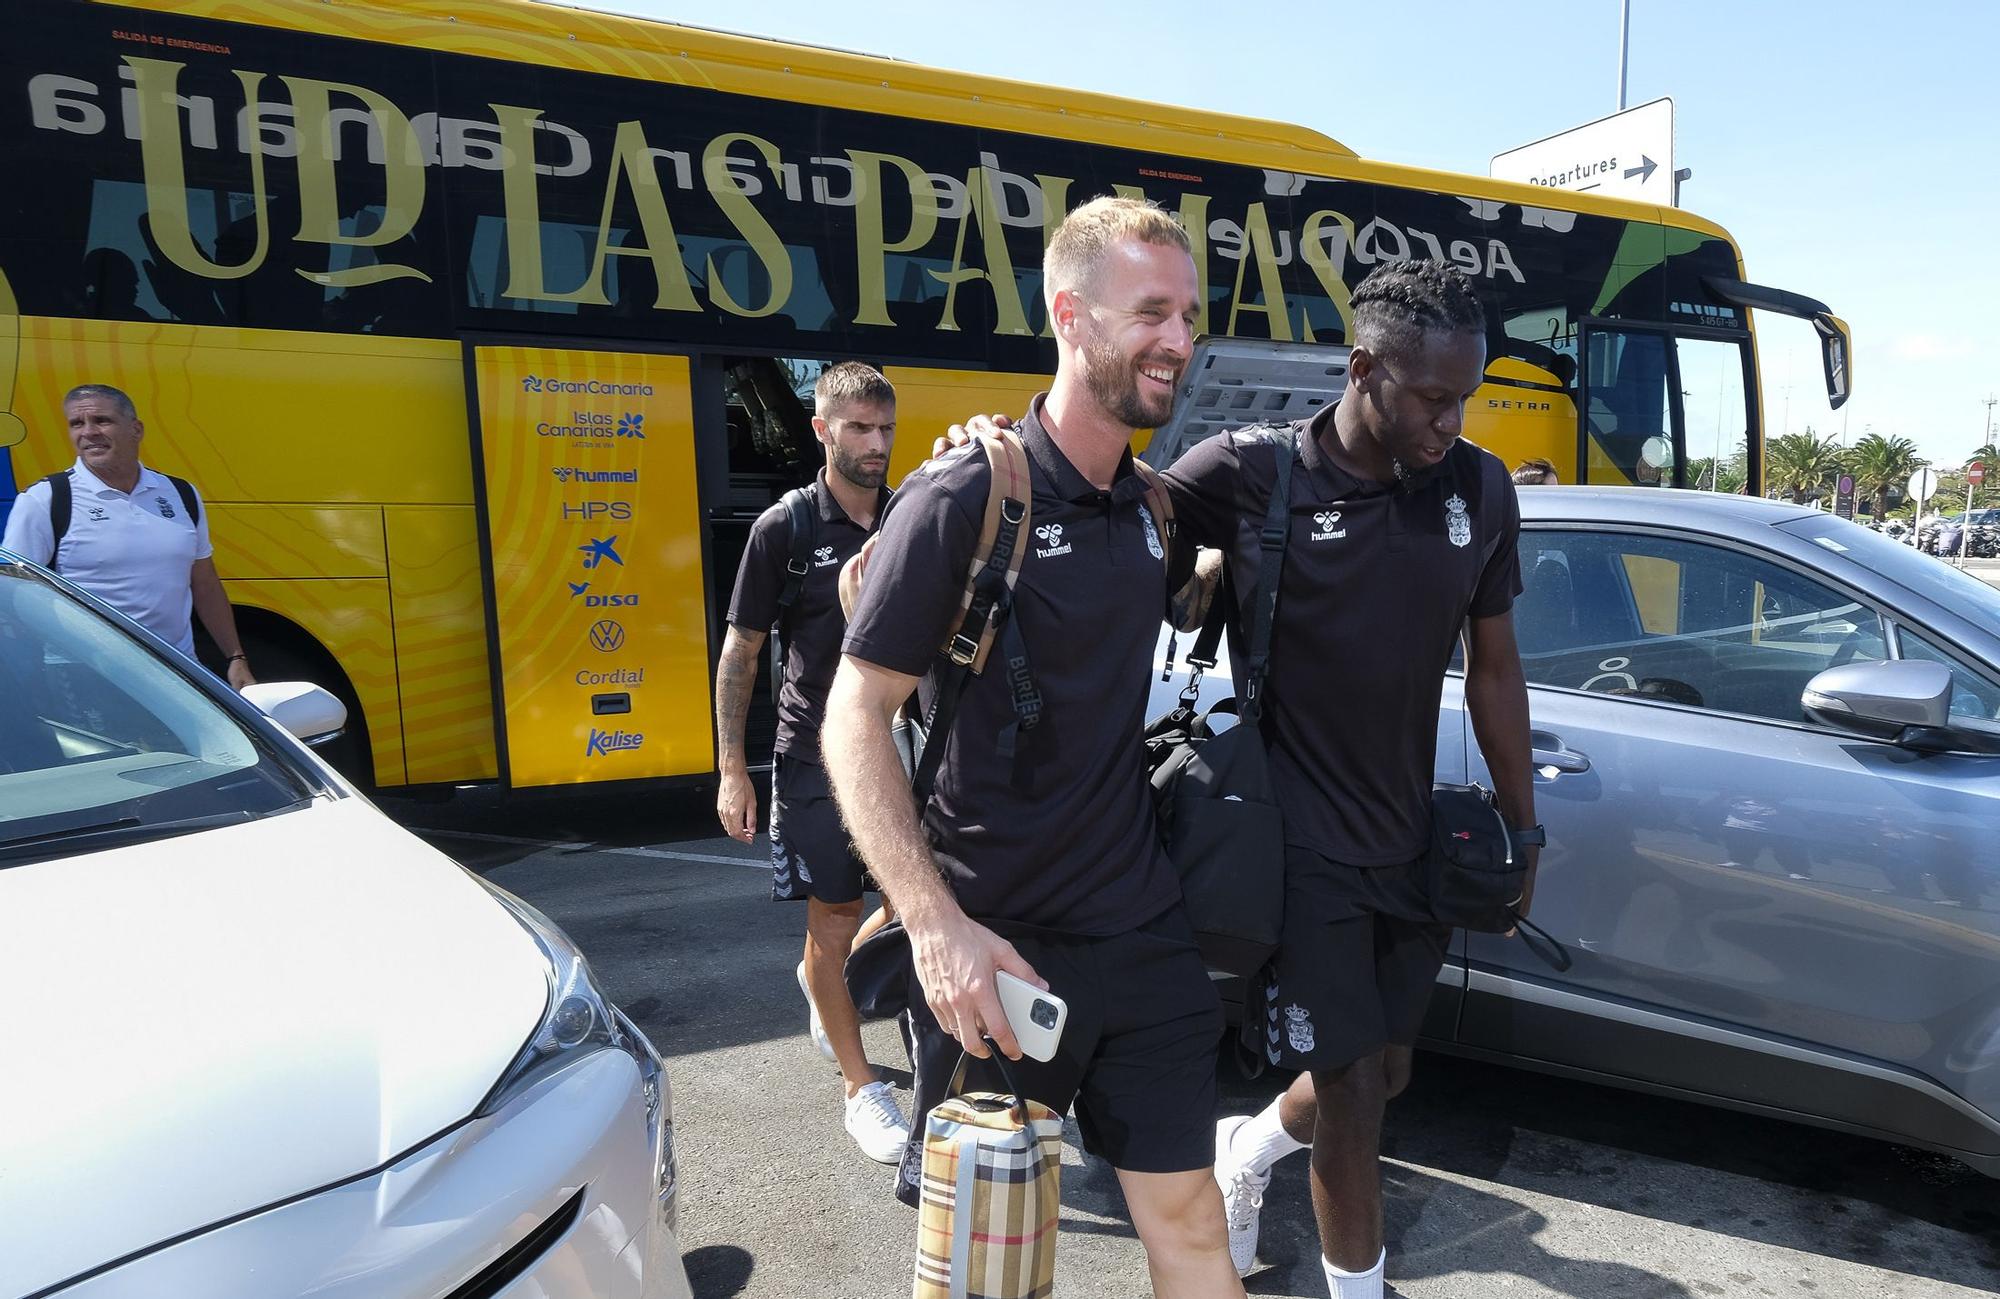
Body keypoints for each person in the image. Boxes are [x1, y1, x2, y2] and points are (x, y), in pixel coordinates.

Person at [822, 196, 1245, 1297]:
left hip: (1142, 937)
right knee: (984, 1271)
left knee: (1193, 1224)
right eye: (1150, 311)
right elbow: (852, 715)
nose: (1178, 340)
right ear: (1069, 312)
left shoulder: (1152, 505)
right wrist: (933, 927)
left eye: (1187, 314)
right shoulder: (969, 492)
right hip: (995, 957)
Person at [1163, 260, 1540, 1296]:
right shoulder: (1249, 472)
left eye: (1464, 396)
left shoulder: (1477, 486)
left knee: (1384, 1071)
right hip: (1296, 848)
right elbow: (1100, 500)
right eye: (1430, 397)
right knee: (1352, 1102)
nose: (1449, 420)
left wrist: (1525, 829)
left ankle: (1238, 1156)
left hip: (1408, 845)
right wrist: (982, 455)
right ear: (1363, 368)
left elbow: (1495, 670)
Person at [714, 361, 909, 1164]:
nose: (875, 444)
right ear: (822, 430)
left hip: (900, 751)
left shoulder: (908, 519)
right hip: (814, 757)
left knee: (914, 903)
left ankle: (820, 985)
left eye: (885, 429)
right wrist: (731, 766)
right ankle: (862, 1089)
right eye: (858, 428)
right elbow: (741, 652)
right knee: (830, 922)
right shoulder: (786, 529)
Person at [3, 383, 255, 690]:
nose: (89, 432)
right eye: (77, 424)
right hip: (86, 675)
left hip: (176, 670)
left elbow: (204, 582)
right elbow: (15, 594)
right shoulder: (47, 499)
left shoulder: (181, 493)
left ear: (136, 429)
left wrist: (236, 657)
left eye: (102, 420)